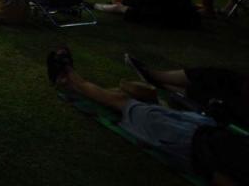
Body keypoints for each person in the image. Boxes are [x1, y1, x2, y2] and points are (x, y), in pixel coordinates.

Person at [48, 47, 249, 184]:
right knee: (133, 101)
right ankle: (69, 77)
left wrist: (205, 167)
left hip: (191, 143)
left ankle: (70, 78)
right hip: (209, 129)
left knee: (122, 102)